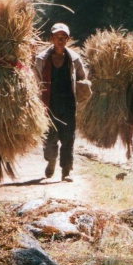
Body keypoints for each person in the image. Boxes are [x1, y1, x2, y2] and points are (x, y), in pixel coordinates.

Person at [34, 23, 88, 181]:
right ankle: (51, 161)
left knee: (68, 138)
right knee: (50, 138)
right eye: (58, 37)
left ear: (68, 39)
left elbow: (82, 76)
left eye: (64, 37)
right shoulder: (41, 59)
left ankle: (66, 171)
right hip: (49, 104)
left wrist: (83, 86)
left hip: (69, 104)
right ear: (52, 38)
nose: (61, 40)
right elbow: (36, 79)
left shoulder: (74, 59)